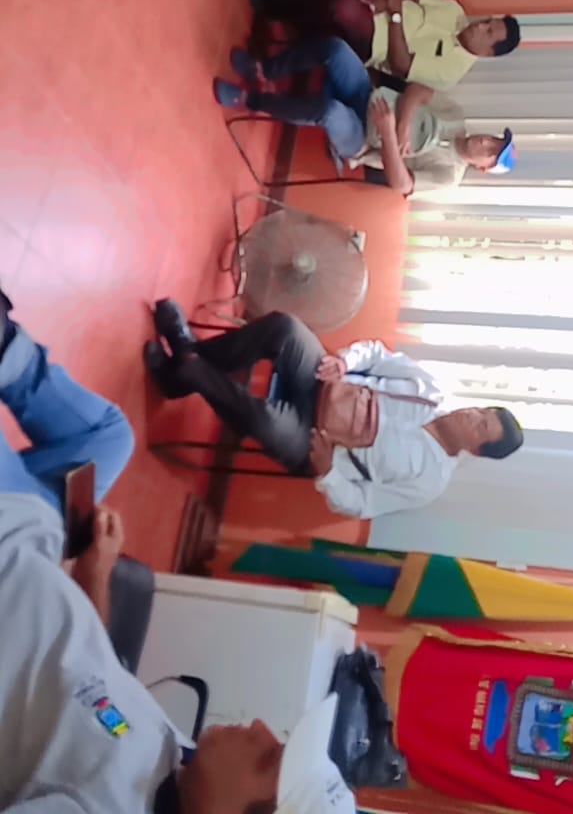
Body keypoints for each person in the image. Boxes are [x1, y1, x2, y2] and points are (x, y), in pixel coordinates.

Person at [0, 287, 357, 814]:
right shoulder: (177, 761)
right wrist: (95, 573)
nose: (261, 726)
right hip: (33, 542)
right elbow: (102, 683)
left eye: (266, 758)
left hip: (9, 542)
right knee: (111, 437)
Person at [144, 302, 524, 520]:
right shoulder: (431, 390)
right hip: (324, 383)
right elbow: (376, 354)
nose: (471, 415)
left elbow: (361, 504)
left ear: (476, 451)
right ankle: (186, 366)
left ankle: (187, 366)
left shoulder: (428, 482)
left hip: (314, 442)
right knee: (286, 328)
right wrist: (344, 362)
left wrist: (327, 472)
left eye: (481, 427)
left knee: (265, 421)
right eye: (480, 411)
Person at [212, 38, 516, 195]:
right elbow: (418, 91)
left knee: (330, 112)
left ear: (482, 168)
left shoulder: (448, 177)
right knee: (336, 49)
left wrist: (389, 134)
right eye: (493, 139)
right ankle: (263, 69)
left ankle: (249, 100)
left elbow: (401, 184)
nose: (486, 142)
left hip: (361, 139)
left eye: (491, 151)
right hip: (371, 97)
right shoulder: (456, 116)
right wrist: (403, 123)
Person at [251, 0, 521, 89]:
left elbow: (400, 64)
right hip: (386, 4)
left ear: (487, 53)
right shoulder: (455, 12)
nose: (480, 25)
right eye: (487, 21)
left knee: (344, 7)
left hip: (376, 43)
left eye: (488, 31)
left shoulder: (451, 72)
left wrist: (394, 16)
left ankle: (271, 7)